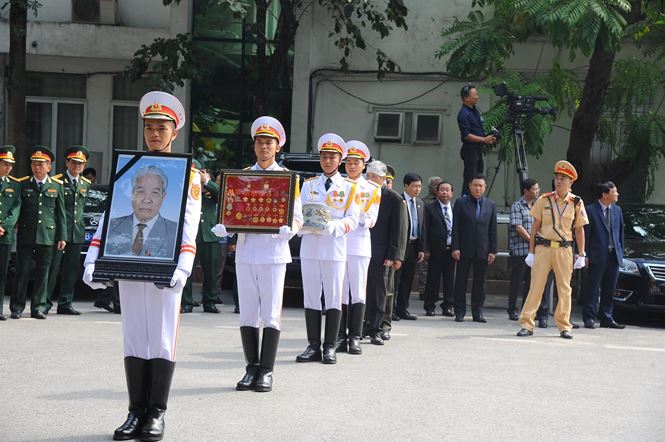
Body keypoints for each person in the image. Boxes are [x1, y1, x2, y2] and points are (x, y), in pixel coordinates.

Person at [83, 91, 201, 441]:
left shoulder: (186, 171)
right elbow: (111, 216)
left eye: (161, 128)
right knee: (135, 335)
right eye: (149, 127)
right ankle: (135, 411)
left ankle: (157, 413)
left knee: (162, 337)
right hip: (130, 263)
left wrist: (184, 264)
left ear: (174, 132)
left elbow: (189, 219)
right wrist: (94, 256)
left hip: (166, 266)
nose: (154, 134)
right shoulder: (130, 166)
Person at [212, 116, 303, 392]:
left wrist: (289, 228)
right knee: (248, 313)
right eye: (260, 142)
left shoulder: (288, 179)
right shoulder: (241, 176)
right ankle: (251, 368)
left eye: (269, 143)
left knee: (271, 313)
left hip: (274, 253)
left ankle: (267, 370)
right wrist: (225, 228)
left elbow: (298, 217)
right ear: (254, 146)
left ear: (277, 147)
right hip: (247, 251)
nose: (264, 147)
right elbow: (232, 210)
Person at [296, 133, 359, 364]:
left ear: (340, 160)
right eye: (324, 156)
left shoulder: (350, 187)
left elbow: (353, 219)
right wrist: (301, 226)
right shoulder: (309, 184)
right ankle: (313, 345)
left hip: (334, 247)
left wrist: (335, 226)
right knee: (311, 296)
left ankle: (330, 346)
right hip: (311, 246)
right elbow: (299, 212)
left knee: (333, 297)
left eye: (332, 157)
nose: (328, 161)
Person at [517, 160, 588, 339]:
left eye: (563, 178)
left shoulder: (576, 202)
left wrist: (581, 253)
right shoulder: (544, 199)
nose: (558, 181)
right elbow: (535, 226)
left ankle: (564, 326)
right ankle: (527, 323)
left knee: (564, 289)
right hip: (543, 248)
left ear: (571, 182)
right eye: (557, 178)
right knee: (536, 287)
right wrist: (531, 251)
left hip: (564, 249)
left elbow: (579, 229)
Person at [10, 146, 67, 320]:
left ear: (49, 167)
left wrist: (62, 237)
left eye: (41, 164)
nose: (37, 167)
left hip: (47, 235)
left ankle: (38, 308)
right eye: (34, 164)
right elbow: (17, 208)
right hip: (27, 234)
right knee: (22, 271)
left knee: (43, 273)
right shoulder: (23, 184)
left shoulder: (56, 186)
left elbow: (60, 214)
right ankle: (17, 307)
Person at [336, 141, 380, 354]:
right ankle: (339, 335)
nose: (352, 166)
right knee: (341, 292)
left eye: (356, 163)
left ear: (364, 166)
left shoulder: (372, 188)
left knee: (358, 292)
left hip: (360, 244)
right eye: (349, 163)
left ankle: (355, 336)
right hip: (338, 245)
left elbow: (371, 218)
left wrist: (356, 216)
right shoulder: (339, 185)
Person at [362, 161, 406, 344]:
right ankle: (362, 325)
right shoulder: (361, 194)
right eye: (368, 176)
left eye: (375, 177)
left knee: (380, 292)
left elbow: (398, 229)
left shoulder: (394, 199)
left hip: (381, 253)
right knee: (361, 291)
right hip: (360, 250)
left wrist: (393, 255)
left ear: (383, 179)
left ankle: (377, 328)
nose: (370, 180)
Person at [46, 146, 92, 315]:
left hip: (77, 232)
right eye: (73, 162)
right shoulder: (57, 182)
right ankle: (44, 303)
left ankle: (65, 303)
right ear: (67, 162)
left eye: (80, 163)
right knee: (53, 268)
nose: (77, 166)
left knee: (71, 270)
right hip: (59, 232)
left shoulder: (85, 184)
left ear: (84, 165)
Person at [451, 174, 497, 322]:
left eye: (481, 186)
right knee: (461, 281)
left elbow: (493, 229)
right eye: (475, 185)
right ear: (470, 186)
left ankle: (477, 312)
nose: (478, 188)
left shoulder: (490, 205)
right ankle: (459, 311)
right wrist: (455, 247)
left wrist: (493, 250)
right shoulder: (461, 202)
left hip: (483, 249)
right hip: (464, 248)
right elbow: (455, 227)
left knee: (480, 282)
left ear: (484, 188)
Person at [104, 165, 178, 258]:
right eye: (141, 191)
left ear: (163, 197)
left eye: (155, 193)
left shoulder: (175, 232)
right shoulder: (111, 226)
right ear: (131, 194)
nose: (147, 199)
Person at [581, 181, 625, 329]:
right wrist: (584, 254)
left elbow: (620, 234)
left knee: (609, 288)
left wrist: (620, 253)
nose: (617, 194)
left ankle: (606, 317)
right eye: (615, 191)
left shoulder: (617, 211)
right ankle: (589, 318)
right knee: (592, 288)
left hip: (613, 256)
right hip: (596, 255)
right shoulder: (590, 210)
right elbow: (585, 234)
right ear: (605, 194)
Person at [181, 161, 222, 314]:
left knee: (210, 272)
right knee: (188, 270)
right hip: (190, 236)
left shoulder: (210, 191)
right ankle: (186, 302)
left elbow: (223, 195)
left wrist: (207, 182)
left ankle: (210, 302)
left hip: (209, 236)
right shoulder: (186, 189)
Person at [507, 178, 550, 323]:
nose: (538, 191)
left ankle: (527, 310)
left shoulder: (539, 206)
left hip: (536, 251)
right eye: (535, 189)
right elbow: (518, 227)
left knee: (532, 283)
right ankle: (512, 309)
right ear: (526, 191)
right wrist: (533, 240)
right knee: (517, 281)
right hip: (520, 250)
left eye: (538, 188)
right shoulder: (517, 206)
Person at [379, 164, 407, 339]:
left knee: (387, 291)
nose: (386, 183)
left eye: (389, 181)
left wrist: (398, 256)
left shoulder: (396, 200)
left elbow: (401, 231)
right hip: (371, 252)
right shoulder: (369, 197)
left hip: (389, 253)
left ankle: (385, 325)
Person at [422, 180, 456, 317]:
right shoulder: (430, 208)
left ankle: (448, 306)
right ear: (437, 192)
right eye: (442, 189)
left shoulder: (455, 208)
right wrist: (425, 249)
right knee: (433, 279)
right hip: (435, 249)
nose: (445, 192)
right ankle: (430, 306)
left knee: (450, 279)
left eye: (447, 190)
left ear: (452, 193)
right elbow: (425, 229)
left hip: (451, 249)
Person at [394, 172, 425, 320]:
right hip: (401, 246)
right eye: (414, 186)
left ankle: (403, 309)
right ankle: (392, 309)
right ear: (406, 186)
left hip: (413, 246)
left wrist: (421, 249)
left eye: (419, 186)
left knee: (408, 280)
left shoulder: (420, 203)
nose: (417, 189)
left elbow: (421, 227)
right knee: (396, 280)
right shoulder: (398, 201)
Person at [457, 84, 496, 196]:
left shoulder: (475, 111)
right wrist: (484, 139)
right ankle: (466, 199)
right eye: (475, 95)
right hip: (470, 150)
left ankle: (477, 199)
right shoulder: (463, 114)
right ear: (466, 97)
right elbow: (466, 135)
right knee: (470, 178)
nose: (477, 97)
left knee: (478, 176)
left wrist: (488, 137)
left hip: (478, 149)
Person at [0, 145, 21, 321]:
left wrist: (5, 226)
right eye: (5, 164)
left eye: (10, 164)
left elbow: (15, 208)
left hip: (4, 235)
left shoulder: (14, 185)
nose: (8, 167)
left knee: (2, 272)